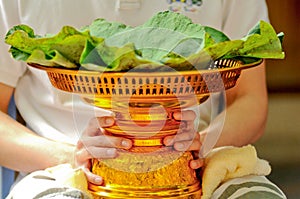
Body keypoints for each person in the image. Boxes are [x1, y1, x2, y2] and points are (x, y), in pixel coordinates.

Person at [0, 0, 281, 198]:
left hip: (204, 164)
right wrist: (72, 156)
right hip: (57, 168)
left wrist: (201, 143)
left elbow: (249, 99)